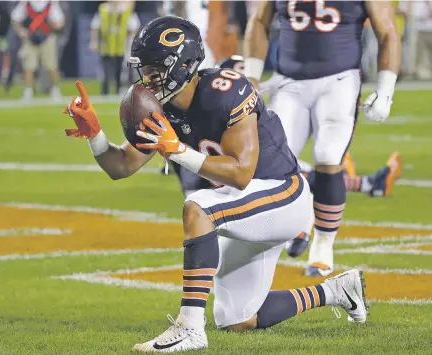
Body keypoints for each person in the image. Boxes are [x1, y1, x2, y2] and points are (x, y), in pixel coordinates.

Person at [63, 16, 368, 353]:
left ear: (180, 66)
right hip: (248, 205)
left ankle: (190, 328)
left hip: (283, 194)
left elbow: (241, 173)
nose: (147, 80)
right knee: (235, 318)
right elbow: (121, 166)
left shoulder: (227, 91)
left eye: (153, 70)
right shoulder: (162, 107)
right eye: (145, 71)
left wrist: (176, 149)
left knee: (199, 207)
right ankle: (338, 291)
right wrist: (95, 135)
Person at [162, 55, 403, 258]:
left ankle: (365, 186)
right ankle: (368, 184)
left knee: (294, 172)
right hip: (221, 188)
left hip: (246, 186)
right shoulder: (203, 108)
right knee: (299, 173)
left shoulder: (234, 101)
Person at [243, 1, 402, 276]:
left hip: (339, 80)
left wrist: (386, 89)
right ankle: (300, 219)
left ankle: (323, 245)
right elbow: (259, 21)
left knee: (329, 156)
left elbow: (387, 30)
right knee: (275, 163)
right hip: (288, 81)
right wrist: (252, 77)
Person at [11, 0, 64, 101]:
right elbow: (15, 19)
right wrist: (21, 31)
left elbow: (60, 22)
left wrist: (54, 24)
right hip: (30, 38)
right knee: (28, 66)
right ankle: (28, 91)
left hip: (47, 37)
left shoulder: (51, 3)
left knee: (52, 66)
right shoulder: (25, 3)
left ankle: (55, 90)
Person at [90, 0, 138, 95]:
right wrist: (94, 42)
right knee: (105, 70)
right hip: (106, 45)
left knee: (120, 70)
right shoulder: (103, 9)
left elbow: (134, 27)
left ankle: (119, 89)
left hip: (121, 46)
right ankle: (105, 91)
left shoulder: (127, 10)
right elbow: (95, 26)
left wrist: (131, 43)